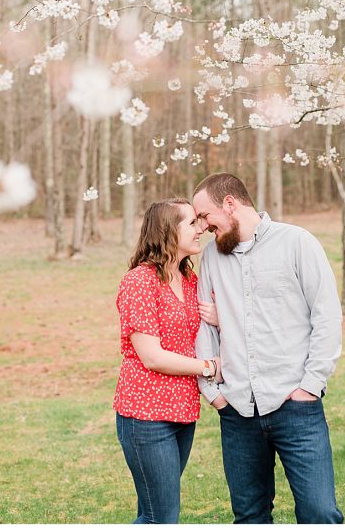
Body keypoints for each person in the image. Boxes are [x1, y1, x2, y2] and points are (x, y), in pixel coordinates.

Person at [193, 172, 344, 524]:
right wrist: (214, 394)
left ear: (230, 204)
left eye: (204, 216)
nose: (201, 227)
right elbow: (204, 326)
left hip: (296, 406)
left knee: (320, 513)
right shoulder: (212, 259)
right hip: (238, 412)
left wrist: (310, 385)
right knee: (249, 516)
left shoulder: (297, 242)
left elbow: (326, 316)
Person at [113, 199, 220, 524]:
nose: (200, 227)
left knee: (153, 512)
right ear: (168, 231)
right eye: (191, 223)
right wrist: (209, 367)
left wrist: (219, 319)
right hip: (146, 416)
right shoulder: (139, 282)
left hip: (183, 412)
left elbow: (203, 331)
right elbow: (152, 356)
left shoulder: (189, 280)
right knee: (162, 516)